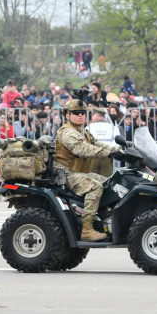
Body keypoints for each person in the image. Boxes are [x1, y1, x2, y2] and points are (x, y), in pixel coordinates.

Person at [54, 98, 127, 241]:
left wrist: (120, 150)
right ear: (67, 115)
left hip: (79, 172)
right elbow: (82, 149)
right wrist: (109, 153)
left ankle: (104, 219)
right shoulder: (67, 132)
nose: (81, 115)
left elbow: (98, 143)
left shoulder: (83, 131)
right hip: (66, 174)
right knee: (95, 187)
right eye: (76, 112)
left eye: (83, 112)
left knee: (111, 182)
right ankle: (87, 229)